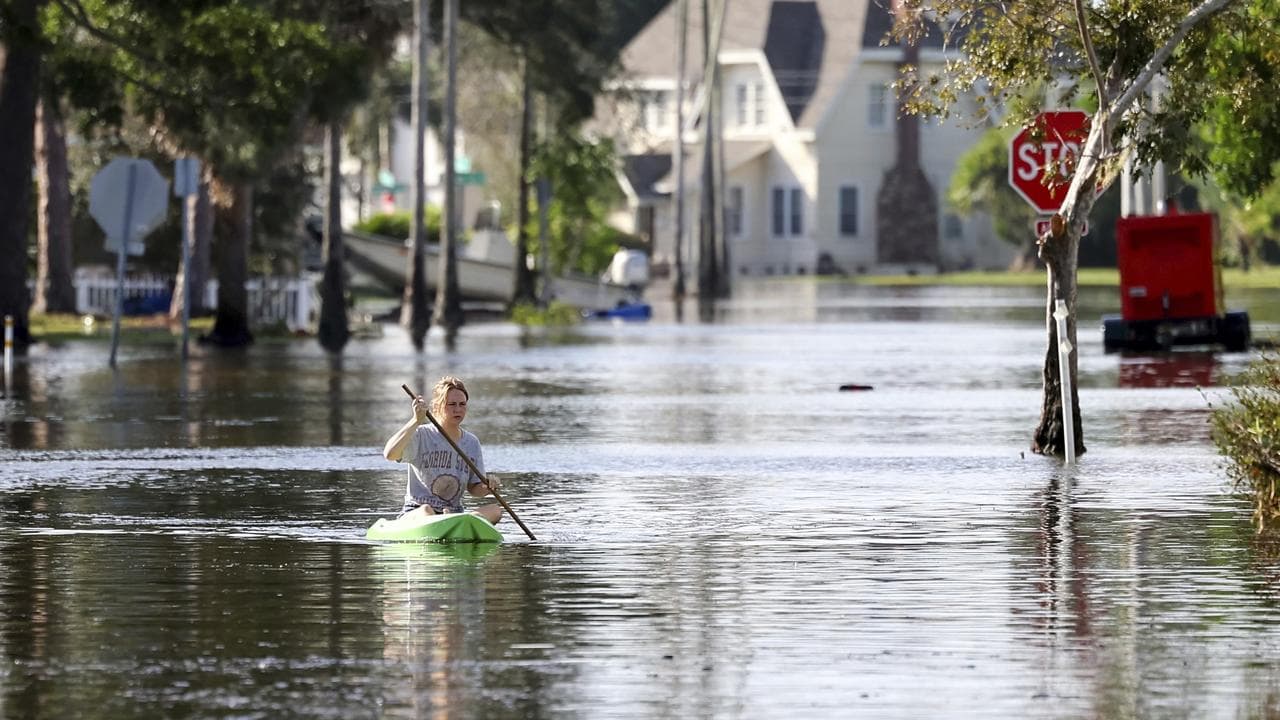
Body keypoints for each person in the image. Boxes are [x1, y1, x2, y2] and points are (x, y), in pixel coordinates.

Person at [382, 376, 503, 524]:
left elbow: (474, 489)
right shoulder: (421, 434)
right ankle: (446, 522)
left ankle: (453, 522)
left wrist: (488, 486)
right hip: (417, 511)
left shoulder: (471, 442)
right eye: (451, 404)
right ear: (437, 406)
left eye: (462, 404)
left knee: (495, 510)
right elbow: (389, 454)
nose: (458, 409)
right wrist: (415, 420)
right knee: (427, 510)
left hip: (454, 513)